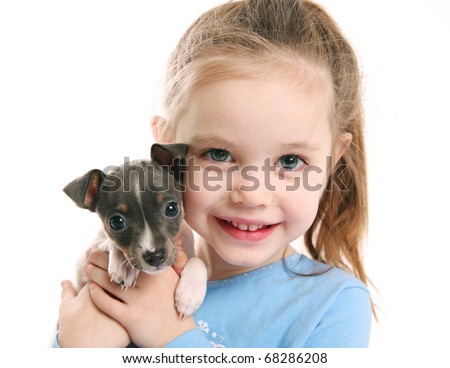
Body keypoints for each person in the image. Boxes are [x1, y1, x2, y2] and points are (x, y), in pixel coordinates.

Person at [54, 0, 373, 348]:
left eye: (290, 161)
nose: (252, 194)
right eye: (219, 154)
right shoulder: (120, 275)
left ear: (333, 159)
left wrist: (169, 335)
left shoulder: (334, 305)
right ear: (169, 148)